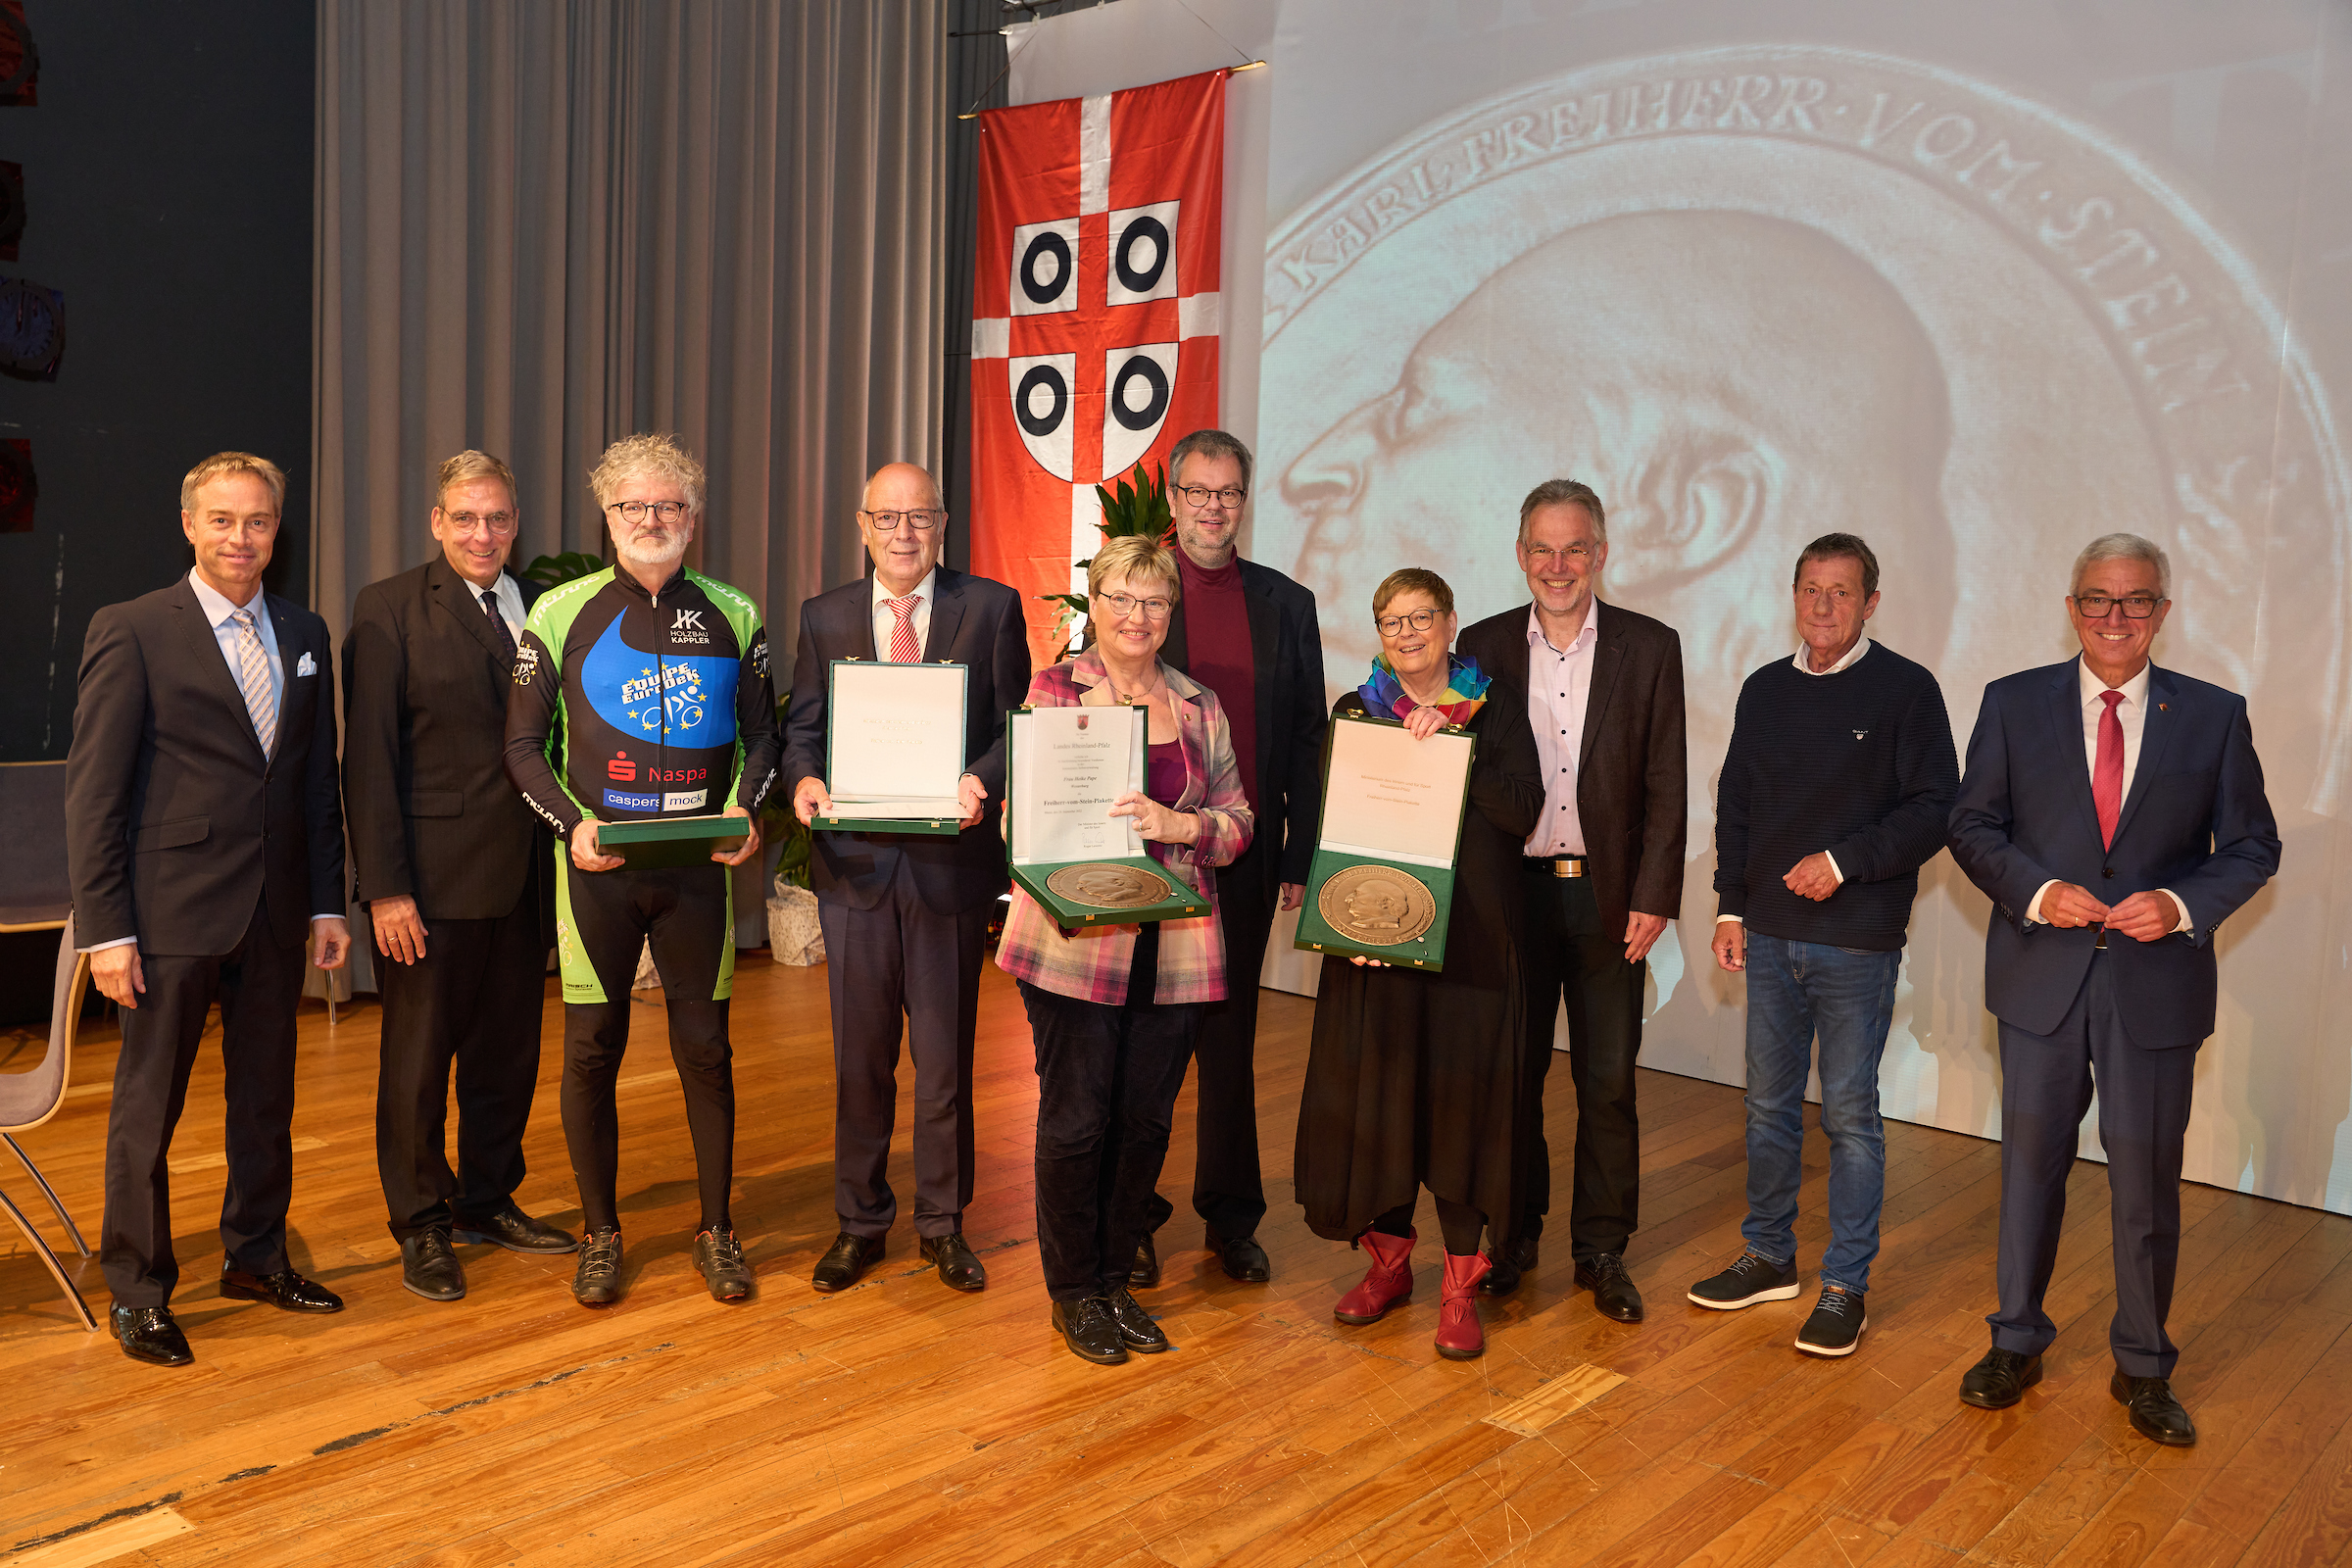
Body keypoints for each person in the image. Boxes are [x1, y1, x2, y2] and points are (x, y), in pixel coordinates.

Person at [1948, 533, 2278, 1447]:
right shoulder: (2012, 704)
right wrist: (2039, 891)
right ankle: (2015, 1341)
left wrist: (2177, 904)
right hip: (2039, 979)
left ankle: (2142, 1365)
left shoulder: (2212, 716)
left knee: (2144, 1184)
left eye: (2136, 602)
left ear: (2162, 612)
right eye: (2099, 599)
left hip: (2154, 988)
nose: (2116, 617)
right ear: (2072, 607)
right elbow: (1972, 826)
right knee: (2028, 1173)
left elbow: (2253, 846)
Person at [66, 452, 353, 1367]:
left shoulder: (306, 633)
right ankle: (140, 1290)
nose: (241, 538)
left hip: (276, 913)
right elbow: (94, 794)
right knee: (148, 1112)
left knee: (267, 1100)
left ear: (279, 529)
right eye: (223, 521)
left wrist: (326, 906)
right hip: (167, 915)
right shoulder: (134, 628)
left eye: (258, 521)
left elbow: (315, 783)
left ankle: (257, 1259)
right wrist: (107, 931)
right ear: (189, 526)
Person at [503, 433, 780, 1308]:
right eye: (633, 506)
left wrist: (745, 809)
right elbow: (520, 745)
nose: (650, 519)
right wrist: (572, 824)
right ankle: (601, 1233)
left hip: (699, 871)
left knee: (706, 1051)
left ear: (692, 518)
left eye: (667, 505)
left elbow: (764, 737)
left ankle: (716, 1230)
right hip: (600, 869)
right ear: (607, 516)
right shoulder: (558, 615)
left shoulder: (734, 611)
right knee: (592, 1051)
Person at [1690, 533, 1957, 1356]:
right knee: (1767, 1107)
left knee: (1848, 1114)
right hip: (1767, 935)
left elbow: (1935, 808)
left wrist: (1843, 863)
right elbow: (1736, 802)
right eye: (1811, 589)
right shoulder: (1764, 690)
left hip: (1856, 942)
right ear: (1794, 596)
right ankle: (1770, 1255)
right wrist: (1731, 907)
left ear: (1871, 602)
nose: (1824, 606)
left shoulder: (1908, 691)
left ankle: (1846, 1284)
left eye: (1842, 592)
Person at [996, 535, 1253, 1365]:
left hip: (1175, 947)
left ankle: (1114, 1281)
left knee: (1143, 1125)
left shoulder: (1201, 705)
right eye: (1120, 600)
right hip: (1076, 942)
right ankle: (1073, 1293)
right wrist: (1019, 820)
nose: (1137, 617)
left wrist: (1185, 826)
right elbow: (1020, 811)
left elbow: (1240, 822)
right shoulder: (1053, 689)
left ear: (1170, 614)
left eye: (1154, 602)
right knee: (1075, 1123)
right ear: (1095, 607)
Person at [784, 461, 1031, 1295]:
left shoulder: (990, 608)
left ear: (943, 523)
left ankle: (942, 1223)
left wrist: (983, 779)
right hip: (855, 870)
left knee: (944, 1061)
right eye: (887, 518)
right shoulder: (826, 617)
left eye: (918, 516)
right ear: (862, 526)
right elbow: (802, 729)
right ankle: (859, 1223)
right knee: (860, 1061)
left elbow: (1014, 724)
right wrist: (803, 782)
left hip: (946, 872)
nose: (902, 532)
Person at [343, 450, 576, 1302]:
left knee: (507, 1051)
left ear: (517, 525)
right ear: (438, 523)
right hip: (431, 885)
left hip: (527, 874)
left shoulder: (542, 609)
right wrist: (386, 889)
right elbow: (367, 761)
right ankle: (421, 1222)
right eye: (467, 518)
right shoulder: (389, 609)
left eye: (500, 519)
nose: (485, 533)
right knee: (416, 1059)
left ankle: (486, 1197)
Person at [1297, 567, 1543, 1360]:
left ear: (1450, 622)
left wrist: (1457, 751)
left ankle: (1460, 1288)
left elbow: (1523, 809)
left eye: (1422, 618)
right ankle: (1390, 1266)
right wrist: (1343, 921)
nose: (1408, 634)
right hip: (1379, 943)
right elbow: (1334, 821)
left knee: (1461, 1112)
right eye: (1392, 621)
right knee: (1384, 1107)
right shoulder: (1355, 712)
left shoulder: (1492, 706)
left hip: (1471, 947)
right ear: (1379, 633)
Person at [1454, 479, 1685, 1322]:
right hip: (1509, 900)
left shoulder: (1650, 646)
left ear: (1601, 554)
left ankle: (1601, 1249)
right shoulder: (1477, 648)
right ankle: (1512, 1240)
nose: (1559, 565)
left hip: (1610, 898)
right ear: (1520, 556)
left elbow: (1667, 781)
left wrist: (1657, 893)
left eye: (1575, 548)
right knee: (1509, 1081)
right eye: (1542, 549)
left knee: (1607, 1082)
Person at [1135, 429, 1326, 1288]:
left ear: (1244, 502)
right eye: (1199, 491)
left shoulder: (1288, 604)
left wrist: (1301, 854)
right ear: (1173, 499)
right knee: (1145, 1042)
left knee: (1229, 1041)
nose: (1214, 507)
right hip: (1146, 855)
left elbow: (1306, 741)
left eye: (1230, 493)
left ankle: (1231, 1217)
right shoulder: (1135, 591)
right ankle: (1130, 1214)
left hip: (1244, 856)